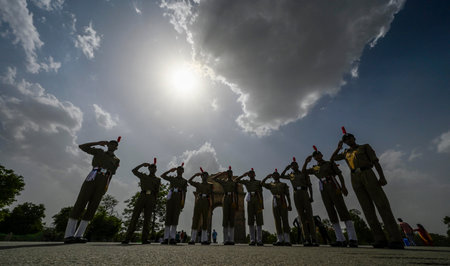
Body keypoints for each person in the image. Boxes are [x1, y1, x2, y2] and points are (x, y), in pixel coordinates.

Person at [331, 127, 403, 249]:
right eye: (346, 139)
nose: (348, 140)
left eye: (350, 138)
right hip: (354, 176)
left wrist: (382, 176)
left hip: (368, 173)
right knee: (367, 208)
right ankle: (379, 238)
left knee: (382, 204)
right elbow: (332, 159)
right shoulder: (346, 153)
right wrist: (338, 148)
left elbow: (375, 162)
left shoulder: (364, 147)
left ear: (354, 138)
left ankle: (395, 238)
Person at [64, 137, 121, 244]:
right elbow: (82, 147)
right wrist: (98, 143)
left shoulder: (116, 160)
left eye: (115, 145)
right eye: (111, 144)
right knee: (81, 202)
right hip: (93, 176)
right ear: (108, 145)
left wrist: (106, 187)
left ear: (116, 148)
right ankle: (68, 235)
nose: (112, 146)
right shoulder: (99, 152)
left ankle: (79, 235)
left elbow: (111, 174)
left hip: (104, 181)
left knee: (93, 207)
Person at [304, 147, 358, 247]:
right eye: (315, 156)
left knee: (342, 210)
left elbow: (339, 174)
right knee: (331, 212)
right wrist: (306, 162)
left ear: (321, 155)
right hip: (323, 188)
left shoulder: (329, 163)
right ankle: (340, 239)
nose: (317, 156)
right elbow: (304, 172)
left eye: (318, 154)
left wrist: (343, 186)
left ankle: (352, 238)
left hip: (333, 185)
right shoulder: (315, 168)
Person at [122, 159, 161, 244]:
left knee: (147, 218)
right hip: (142, 196)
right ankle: (127, 238)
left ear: (156, 170)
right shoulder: (143, 176)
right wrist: (142, 164)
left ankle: (144, 239)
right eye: (151, 168)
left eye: (154, 168)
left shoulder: (158, 179)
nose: (153, 169)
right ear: (149, 169)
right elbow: (134, 171)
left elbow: (157, 191)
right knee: (135, 216)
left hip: (151, 197)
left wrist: (155, 201)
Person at [280, 158, 318, 247]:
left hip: (304, 193)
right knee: (301, 217)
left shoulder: (304, 173)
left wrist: (311, 196)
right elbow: (281, 176)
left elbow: (309, 185)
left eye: (295, 165)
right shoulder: (291, 175)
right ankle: (307, 239)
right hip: (296, 194)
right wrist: (286, 168)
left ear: (298, 165)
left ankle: (314, 238)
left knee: (309, 216)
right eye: (292, 165)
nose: (294, 166)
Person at [262, 169, 292, 246]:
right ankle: (280, 239)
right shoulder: (271, 184)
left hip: (283, 200)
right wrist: (266, 177)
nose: (275, 176)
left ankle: (287, 239)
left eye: (276, 175)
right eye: (274, 175)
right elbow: (262, 183)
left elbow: (287, 195)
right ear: (272, 177)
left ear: (279, 176)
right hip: (275, 201)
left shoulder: (283, 184)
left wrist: (290, 204)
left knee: (285, 219)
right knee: (277, 219)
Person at [161, 163, 188, 245]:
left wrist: (182, 203)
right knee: (168, 217)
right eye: (178, 169)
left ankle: (172, 238)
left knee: (175, 218)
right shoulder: (172, 178)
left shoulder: (184, 181)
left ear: (183, 171)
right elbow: (162, 176)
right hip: (171, 197)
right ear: (176, 171)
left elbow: (184, 193)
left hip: (178, 198)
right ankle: (166, 238)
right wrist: (169, 170)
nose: (179, 171)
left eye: (181, 169)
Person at [236, 168, 264, 246]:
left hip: (257, 199)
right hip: (250, 200)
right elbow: (237, 180)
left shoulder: (258, 182)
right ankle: (252, 239)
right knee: (250, 220)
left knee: (259, 220)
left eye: (252, 173)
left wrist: (262, 205)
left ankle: (259, 240)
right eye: (249, 173)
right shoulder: (246, 182)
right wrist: (243, 175)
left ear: (254, 174)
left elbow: (261, 193)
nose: (251, 174)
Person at [211, 167, 238, 245]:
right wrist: (221, 174)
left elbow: (236, 192)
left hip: (232, 199)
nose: (229, 174)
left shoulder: (234, 182)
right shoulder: (223, 182)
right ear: (226, 174)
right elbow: (214, 178)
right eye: (228, 173)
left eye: (231, 173)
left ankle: (232, 239)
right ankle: (226, 239)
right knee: (225, 218)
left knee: (232, 218)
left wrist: (237, 204)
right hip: (225, 198)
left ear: (232, 174)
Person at [188, 168, 213, 245]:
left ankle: (204, 239)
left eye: (206, 175)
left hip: (206, 201)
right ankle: (192, 239)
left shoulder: (210, 185)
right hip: (199, 200)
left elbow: (212, 195)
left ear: (207, 177)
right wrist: (195, 175)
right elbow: (189, 181)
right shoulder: (198, 184)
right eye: (203, 175)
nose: (204, 176)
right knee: (196, 218)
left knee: (205, 219)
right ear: (201, 176)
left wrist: (211, 205)